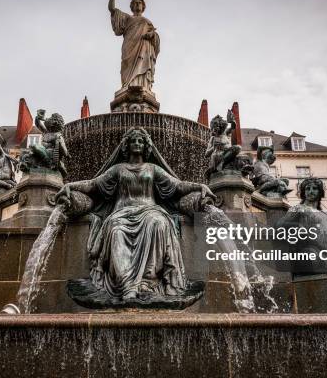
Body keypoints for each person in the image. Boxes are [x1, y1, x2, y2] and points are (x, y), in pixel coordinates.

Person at [55, 127, 215, 300]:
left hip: (150, 211)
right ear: (127, 146)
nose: (137, 144)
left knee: (159, 224)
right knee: (115, 231)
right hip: (121, 213)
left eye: (140, 141)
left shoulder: (153, 169)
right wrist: (71, 186)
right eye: (133, 141)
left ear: (146, 146)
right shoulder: (118, 169)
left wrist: (200, 186)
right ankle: (126, 285)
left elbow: (178, 185)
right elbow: (93, 184)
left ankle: (147, 281)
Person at [108, 0, 160, 91]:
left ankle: (142, 86)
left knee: (142, 67)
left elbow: (156, 40)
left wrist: (152, 35)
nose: (137, 4)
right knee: (126, 67)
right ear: (131, 6)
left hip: (143, 49)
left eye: (139, 3)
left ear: (143, 6)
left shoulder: (147, 22)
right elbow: (112, 9)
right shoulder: (127, 18)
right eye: (135, 3)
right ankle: (126, 86)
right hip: (129, 47)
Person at [205, 111, 243, 178]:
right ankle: (219, 165)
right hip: (218, 156)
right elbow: (206, 154)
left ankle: (223, 163)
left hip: (228, 153)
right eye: (215, 127)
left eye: (218, 126)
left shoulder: (225, 133)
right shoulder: (213, 138)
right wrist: (214, 147)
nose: (217, 129)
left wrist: (232, 121)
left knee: (238, 148)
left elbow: (233, 127)